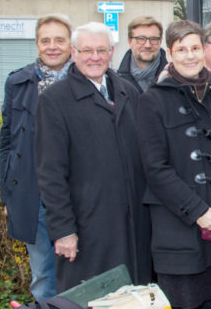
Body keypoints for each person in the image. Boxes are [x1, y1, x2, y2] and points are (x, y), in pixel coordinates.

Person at [136, 20, 211, 309]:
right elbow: (155, 168)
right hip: (179, 229)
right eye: (182, 49)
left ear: (204, 50)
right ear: (170, 54)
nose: (190, 56)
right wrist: (198, 211)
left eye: (195, 48)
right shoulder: (152, 101)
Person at [35, 22, 152, 292]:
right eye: (87, 50)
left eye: (102, 50)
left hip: (134, 225)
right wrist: (63, 230)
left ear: (112, 52)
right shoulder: (54, 100)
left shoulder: (128, 92)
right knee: (93, 295)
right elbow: (50, 172)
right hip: (88, 227)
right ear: (74, 54)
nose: (95, 57)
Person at [0, 14, 73, 300]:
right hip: (35, 196)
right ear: (37, 44)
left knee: (83, 274)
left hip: (78, 195)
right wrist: (9, 195)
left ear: (70, 44)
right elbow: (7, 142)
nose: (52, 46)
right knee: (44, 276)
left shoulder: (89, 80)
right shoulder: (18, 82)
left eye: (59, 40)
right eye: (45, 40)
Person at [117, 15, 168, 92]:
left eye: (153, 39)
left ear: (160, 41)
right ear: (129, 41)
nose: (148, 45)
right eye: (141, 39)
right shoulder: (115, 81)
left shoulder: (175, 78)